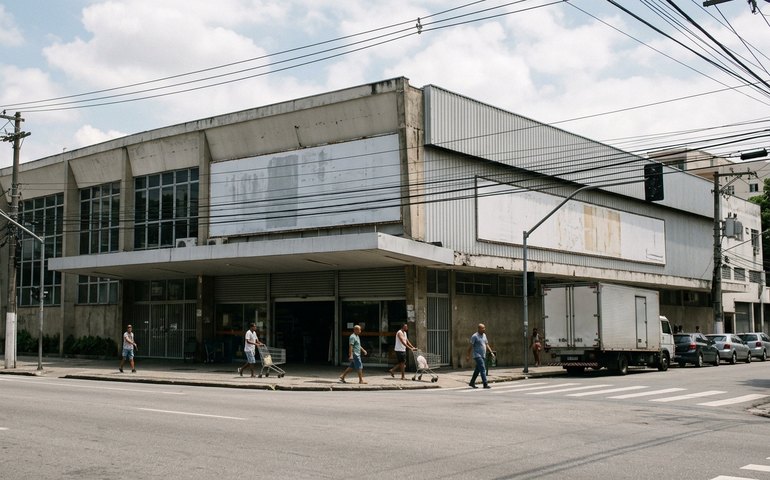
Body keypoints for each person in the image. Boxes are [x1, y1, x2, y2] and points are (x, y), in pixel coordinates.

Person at [466, 323, 494, 389]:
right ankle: (485, 384)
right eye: (482, 328)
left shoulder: (484, 335)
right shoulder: (474, 336)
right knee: (483, 369)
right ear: (478, 329)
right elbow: (470, 347)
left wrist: (491, 352)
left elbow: (487, 344)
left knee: (477, 370)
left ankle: (472, 382)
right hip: (477, 355)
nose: (484, 329)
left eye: (484, 328)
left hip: (483, 355)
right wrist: (468, 355)